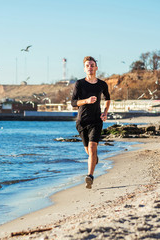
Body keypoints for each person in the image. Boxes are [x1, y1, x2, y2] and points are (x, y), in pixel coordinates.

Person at [71, 56, 111, 189]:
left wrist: (105, 112)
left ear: (96, 67)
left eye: (92, 65)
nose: (90, 67)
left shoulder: (102, 84)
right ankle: (94, 159)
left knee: (93, 148)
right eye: (87, 65)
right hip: (82, 121)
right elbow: (73, 103)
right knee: (88, 151)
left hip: (96, 121)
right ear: (84, 69)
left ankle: (90, 176)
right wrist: (86, 101)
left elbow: (108, 99)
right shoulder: (79, 84)